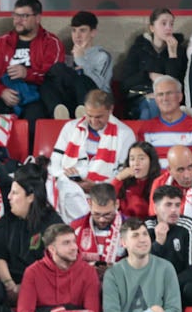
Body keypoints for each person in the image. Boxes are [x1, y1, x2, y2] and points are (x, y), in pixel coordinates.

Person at [94, 218, 180, 312]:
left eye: (145, 234)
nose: (142, 239)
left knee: (156, 311)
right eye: (135, 236)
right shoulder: (113, 274)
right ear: (123, 243)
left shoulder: (166, 268)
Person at [48, 90, 132, 222]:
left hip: (102, 193)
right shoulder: (70, 127)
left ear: (111, 110)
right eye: (89, 115)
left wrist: (97, 185)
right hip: (67, 187)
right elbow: (55, 162)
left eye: (99, 117)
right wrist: (66, 177)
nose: (93, 121)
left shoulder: (125, 134)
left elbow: (122, 173)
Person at [0, 0, 64, 122]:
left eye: (24, 16)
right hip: (4, 93)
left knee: (35, 117)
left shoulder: (51, 42)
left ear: (38, 18)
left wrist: (27, 73)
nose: (18, 21)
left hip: (35, 95)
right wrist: (1, 91)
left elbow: (54, 75)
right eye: (15, 15)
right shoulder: (1, 42)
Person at [15, 225, 101, 312]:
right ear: (52, 249)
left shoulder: (88, 271)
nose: (74, 247)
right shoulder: (33, 272)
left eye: (74, 241)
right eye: (66, 243)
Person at [41, 10, 113, 118]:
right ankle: (58, 110)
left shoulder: (102, 56)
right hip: (70, 101)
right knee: (48, 80)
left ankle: (83, 111)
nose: (77, 35)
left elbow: (99, 85)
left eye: (82, 31)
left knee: (79, 77)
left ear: (93, 32)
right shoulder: (66, 58)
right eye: (74, 31)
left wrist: (80, 60)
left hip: (95, 101)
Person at [119, 8, 188, 120]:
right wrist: (149, 75)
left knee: (152, 108)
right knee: (149, 109)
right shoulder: (139, 49)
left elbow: (176, 83)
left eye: (171, 24)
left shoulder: (179, 51)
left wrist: (172, 55)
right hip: (140, 98)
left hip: (168, 100)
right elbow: (125, 83)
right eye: (163, 24)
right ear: (152, 28)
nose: (168, 28)